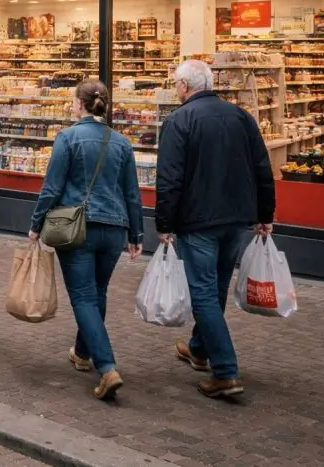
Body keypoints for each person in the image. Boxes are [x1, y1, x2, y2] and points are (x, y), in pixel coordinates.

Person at [155, 59, 275, 399]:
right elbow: (262, 169)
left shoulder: (179, 120)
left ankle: (225, 371)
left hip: (198, 221)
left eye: (176, 85)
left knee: (204, 294)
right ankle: (198, 349)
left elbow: (170, 179)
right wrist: (265, 213)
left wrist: (164, 223)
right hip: (237, 219)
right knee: (217, 287)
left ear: (184, 86)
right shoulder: (241, 117)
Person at [28, 80, 144, 401]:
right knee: (98, 291)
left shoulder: (67, 138)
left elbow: (51, 188)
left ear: (80, 105)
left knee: (82, 297)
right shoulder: (122, 143)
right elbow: (132, 194)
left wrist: (36, 225)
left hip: (77, 228)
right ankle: (82, 353)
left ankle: (107, 367)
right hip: (115, 229)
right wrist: (136, 234)